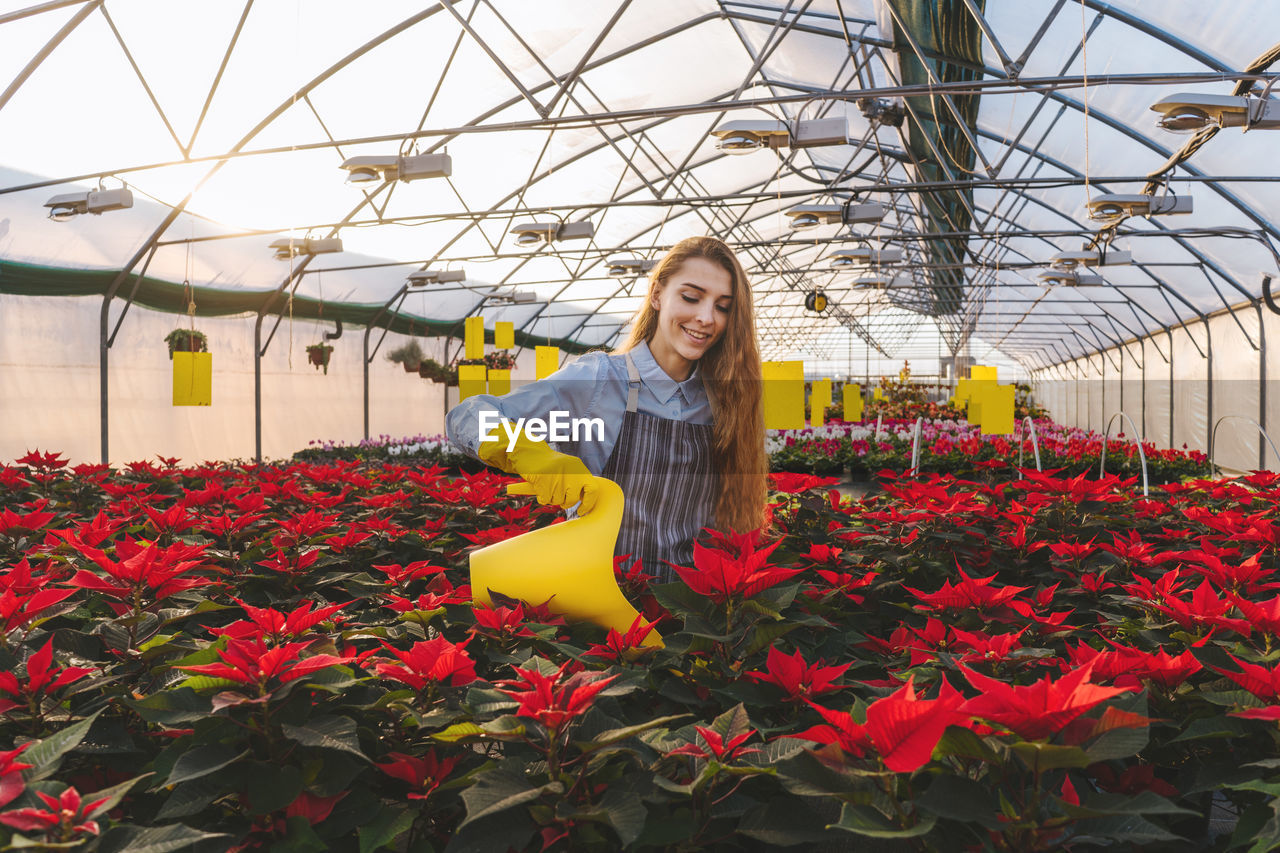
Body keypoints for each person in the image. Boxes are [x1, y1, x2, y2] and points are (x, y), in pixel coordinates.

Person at [445, 236, 767, 582]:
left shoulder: (725, 398)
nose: (706, 317)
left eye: (723, 306)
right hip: (599, 597)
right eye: (691, 297)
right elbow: (468, 415)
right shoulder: (599, 380)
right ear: (657, 295)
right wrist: (531, 455)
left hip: (689, 608)